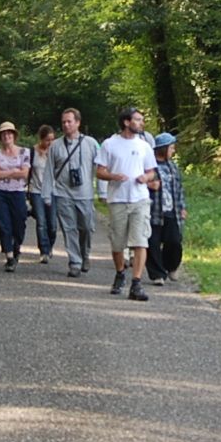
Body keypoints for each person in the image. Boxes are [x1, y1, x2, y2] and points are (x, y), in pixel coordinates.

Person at [95, 105, 159, 302]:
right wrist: (113, 175)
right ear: (126, 122)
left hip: (140, 199)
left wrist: (146, 177)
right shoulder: (109, 144)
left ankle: (136, 283)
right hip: (118, 200)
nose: (141, 123)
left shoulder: (144, 145)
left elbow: (152, 171)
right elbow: (99, 171)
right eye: (138, 120)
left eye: (141, 120)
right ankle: (120, 272)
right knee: (118, 242)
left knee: (140, 241)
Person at [49, 107, 99, 278]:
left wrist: (102, 191)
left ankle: (85, 254)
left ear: (78, 123)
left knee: (86, 227)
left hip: (85, 194)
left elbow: (99, 168)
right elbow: (49, 171)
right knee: (69, 229)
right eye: (63, 122)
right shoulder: (55, 146)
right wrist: (47, 194)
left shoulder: (91, 144)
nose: (66, 125)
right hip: (63, 194)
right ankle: (74, 262)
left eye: (69, 121)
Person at [0, 121, 32, 272]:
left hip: (18, 192)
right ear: (0, 137)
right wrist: (14, 171)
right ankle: (9, 256)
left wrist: (5, 173)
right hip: (0, 193)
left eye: (9, 133)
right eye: (4, 134)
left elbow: (25, 173)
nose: (7, 136)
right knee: (4, 225)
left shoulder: (24, 152)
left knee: (20, 223)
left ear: (14, 135)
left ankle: (16, 247)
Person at [146, 131, 186, 286]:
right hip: (153, 210)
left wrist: (182, 207)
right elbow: (138, 182)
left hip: (172, 211)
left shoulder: (173, 167)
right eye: (171, 148)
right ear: (163, 149)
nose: (173, 150)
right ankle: (157, 274)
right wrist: (150, 185)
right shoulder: (149, 166)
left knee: (175, 241)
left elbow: (179, 188)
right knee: (153, 243)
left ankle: (171, 266)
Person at [28, 123, 58, 264]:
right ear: (41, 139)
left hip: (52, 191)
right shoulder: (32, 152)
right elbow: (28, 172)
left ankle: (50, 245)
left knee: (52, 224)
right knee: (41, 222)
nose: (50, 142)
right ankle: (44, 251)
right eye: (47, 140)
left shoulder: (56, 152)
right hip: (36, 191)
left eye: (52, 139)